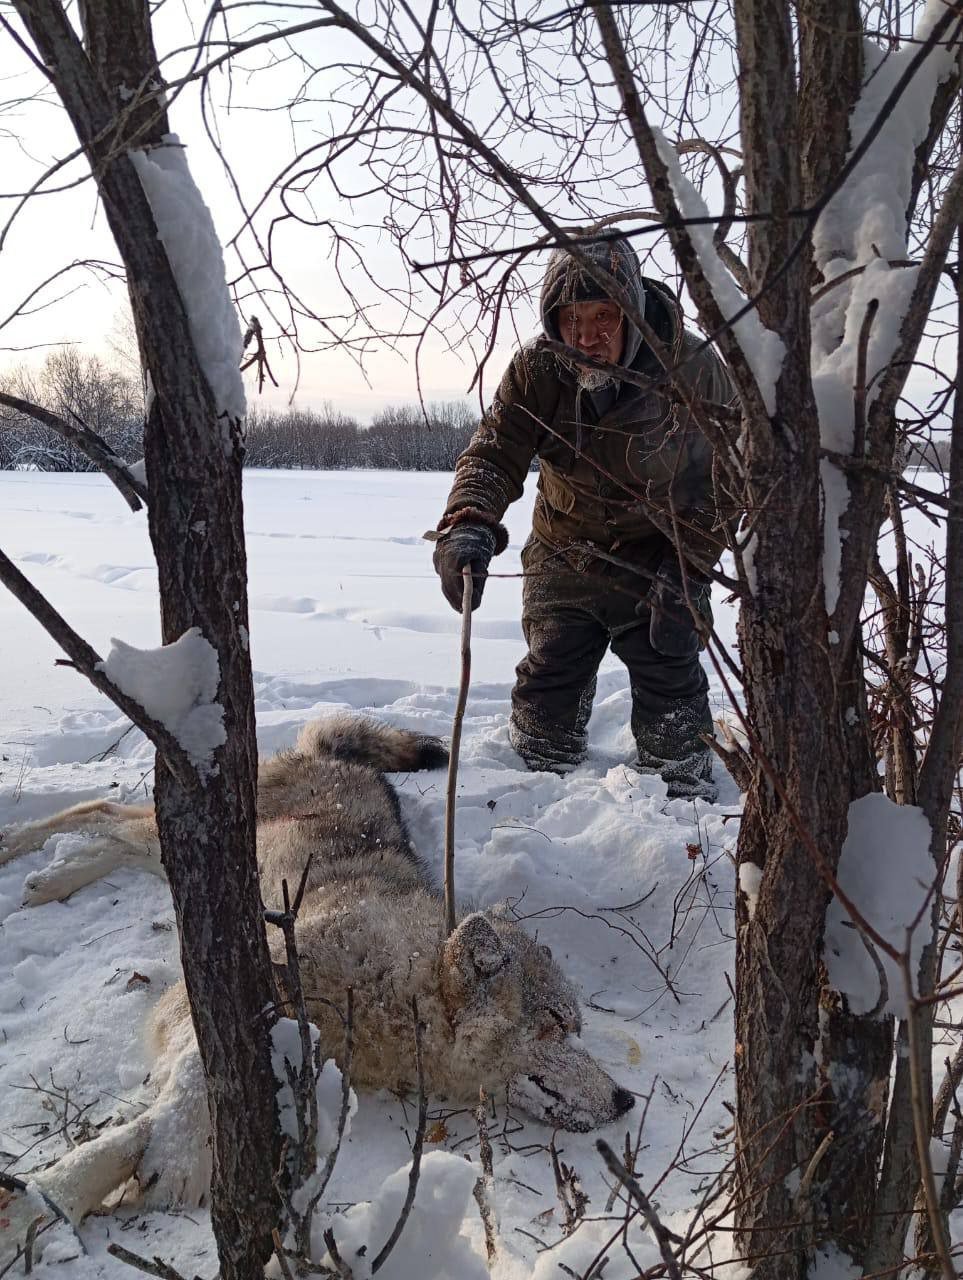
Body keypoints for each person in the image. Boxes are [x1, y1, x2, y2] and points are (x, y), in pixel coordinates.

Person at [430, 233, 734, 800]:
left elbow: (730, 478)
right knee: (549, 683)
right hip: (565, 547)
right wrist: (468, 520)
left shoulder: (691, 370)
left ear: (633, 315)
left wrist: (689, 571)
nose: (587, 337)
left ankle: (681, 800)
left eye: (604, 316)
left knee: (671, 680)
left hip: (659, 552)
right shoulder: (537, 371)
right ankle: (538, 791)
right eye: (571, 319)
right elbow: (496, 450)